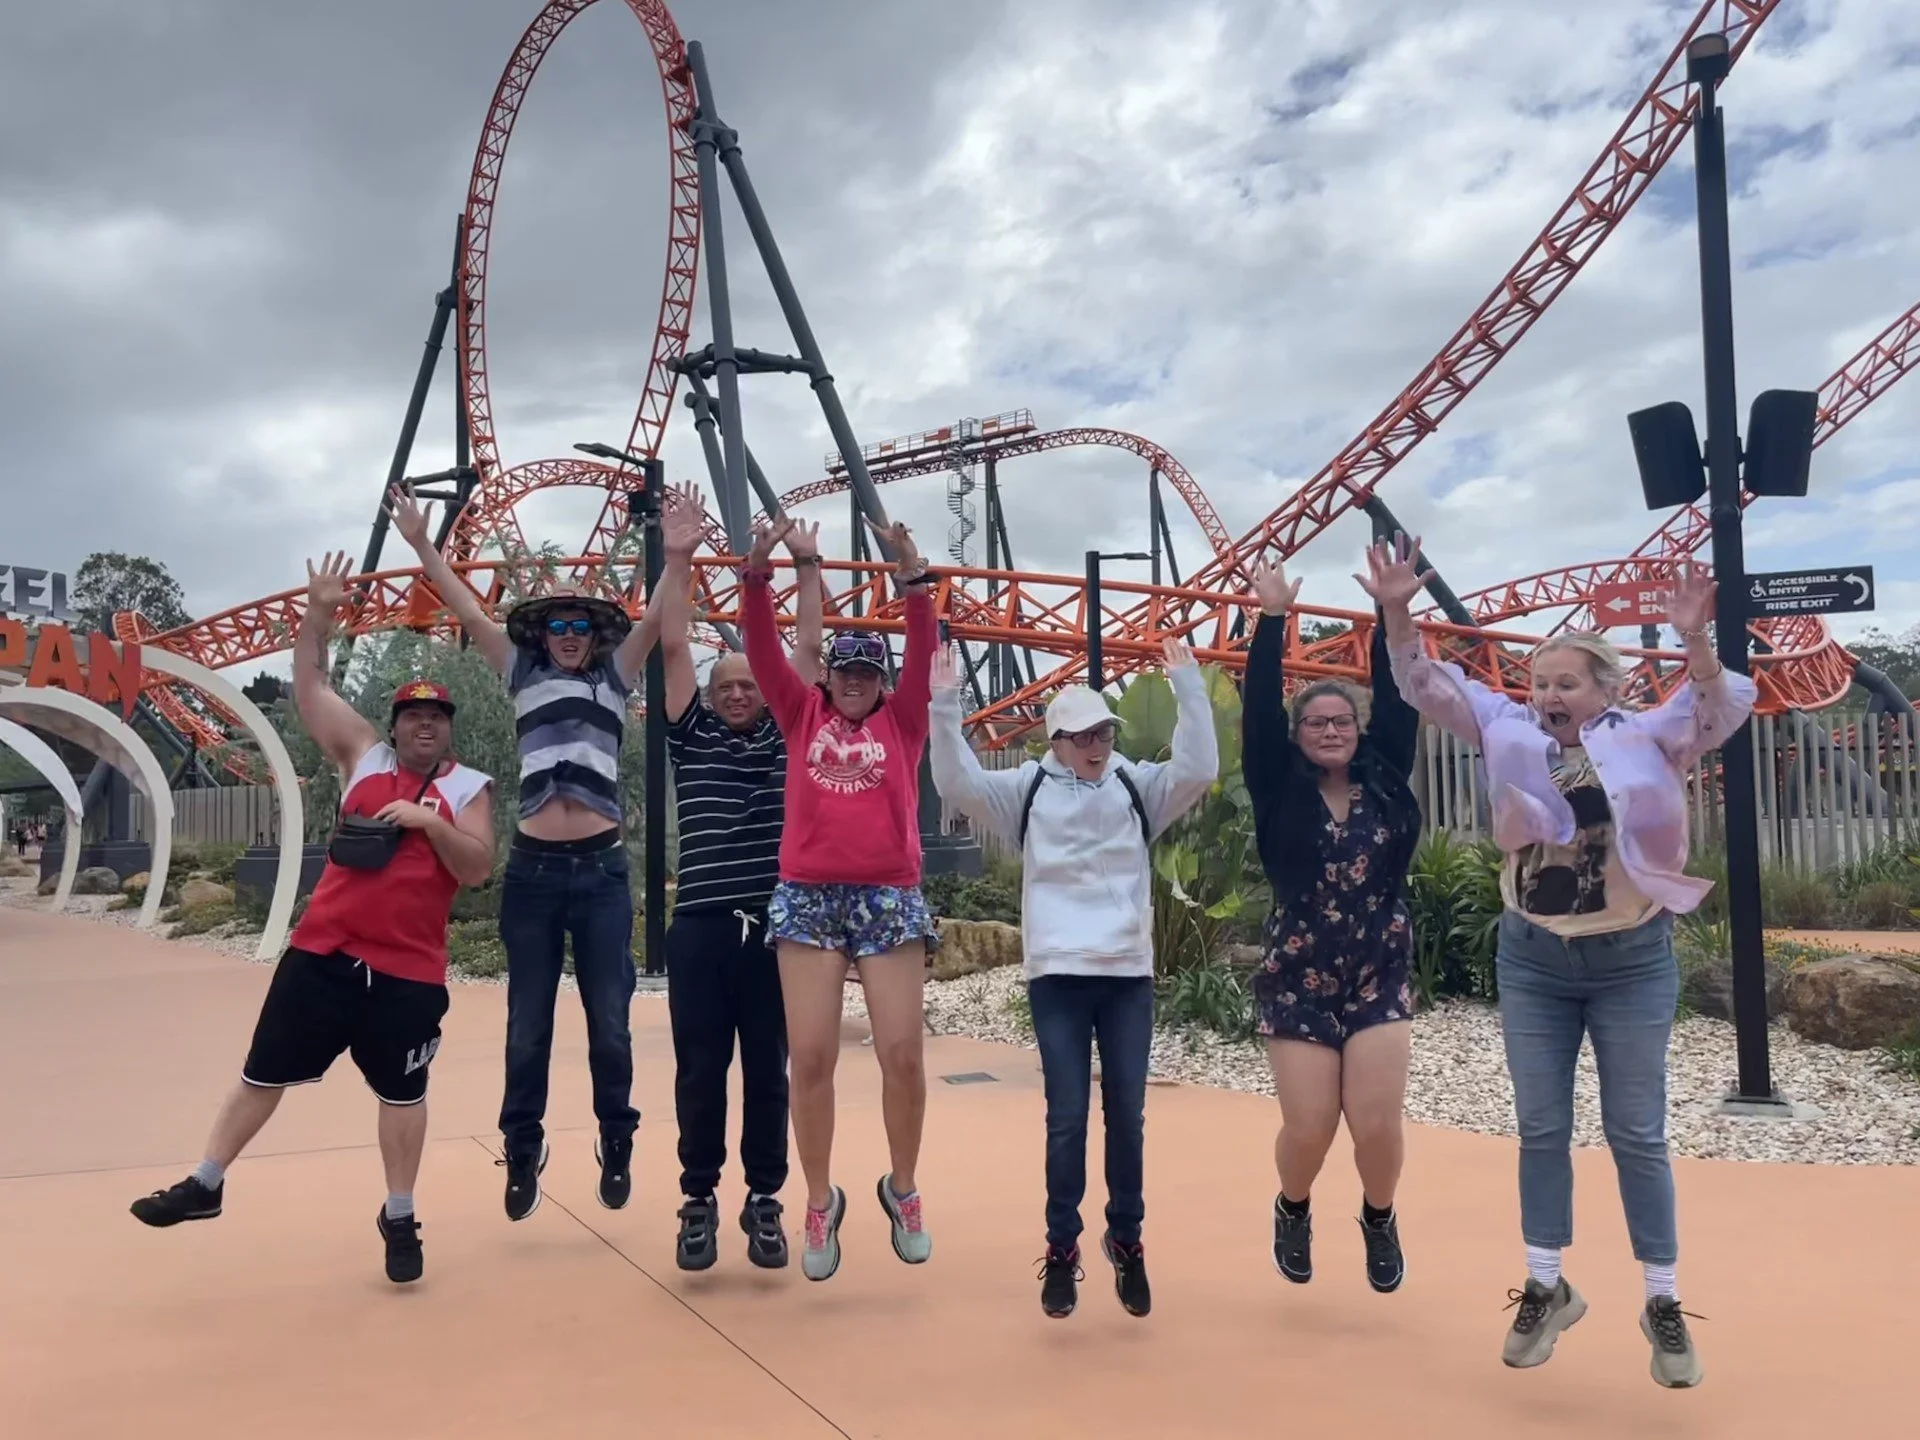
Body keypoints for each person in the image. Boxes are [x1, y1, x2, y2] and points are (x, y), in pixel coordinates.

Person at [1372, 543, 1751, 1390]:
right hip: (1535, 957)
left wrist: (1696, 641)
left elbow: (1718, 709)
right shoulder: (1504, 727)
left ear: (1607, 690)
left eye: (1565, 682)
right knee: (1541, 1127)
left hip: (1631, 958)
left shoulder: (1653, 734)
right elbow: (1427, 684)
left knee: (1635, 1132)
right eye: (1539, 681)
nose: (1546, 694)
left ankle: (1661, 1300)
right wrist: (1398, 614)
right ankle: (1548, 1285)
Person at [129, 552, 495, 1285]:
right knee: (263, 1071)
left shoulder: (468, 786)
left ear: (448, 729)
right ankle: (205, 1182)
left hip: (406, 970)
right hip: (324, 953)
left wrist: (428, 821)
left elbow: (479, 867)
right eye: (414, 715)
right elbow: (309, 685)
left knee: (403, 1092)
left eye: (437, 717)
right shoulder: (363, 757)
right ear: (395, 723)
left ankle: (398, 1212)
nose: (425, 725)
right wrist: (319, 612)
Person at [392, 485, 661, 1221]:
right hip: (535, 874)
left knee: (610, 1017)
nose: (570, 633)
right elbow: (469, 611)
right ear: (542, 636)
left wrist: (684, 550)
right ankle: (522, 1149)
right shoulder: (521, 674)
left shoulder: (615, 677)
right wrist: (423, 546)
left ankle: (617, 1136)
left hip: (602, 870)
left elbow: (665, 612)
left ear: (594, 635)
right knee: (528, 1024)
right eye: (558, 625)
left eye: (580, 624)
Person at [929, 637, 1216, 1319]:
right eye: (1082, 735)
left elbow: (1199, 767)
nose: (1095, 743)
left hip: (1125, 976)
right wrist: (945, 705)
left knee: (1128, 1118)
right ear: (1056, 741)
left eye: (1103, 732)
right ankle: (1063, 1248)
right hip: (1057, 974)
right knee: (1066, 1118)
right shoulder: (1026, 789)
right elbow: (956, 783)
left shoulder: (1135, 783)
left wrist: (1189, 690)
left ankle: (1129, 1241)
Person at [740, 512, 939, 1282]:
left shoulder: (905, 720)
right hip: (810, 898)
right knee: (813, 1056)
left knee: (903, 1054)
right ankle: (820, 1199)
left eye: (868, 673)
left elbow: (924, 651)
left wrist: (914, 580)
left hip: (888, 897)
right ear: (829, 679)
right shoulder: (802, 714)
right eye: (844, 672)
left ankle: (904, 1186)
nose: (855, 682)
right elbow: (762, 653)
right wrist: (762, 576)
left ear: (883, 682)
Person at [1242, 546, 1424, 1297]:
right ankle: (1293, 1206)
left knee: (1376, 1123)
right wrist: (1272, 619)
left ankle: (1378, 1216)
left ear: (1359, 727)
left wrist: (1393, 611)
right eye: (1315, 720)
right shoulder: (1275, 783)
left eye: (1342, 718)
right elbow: (1256, 707)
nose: (1330, 728)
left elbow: (1399, 693)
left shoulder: (1384, 770)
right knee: (1312, 1127)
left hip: (1379, 968)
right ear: (1296, 733)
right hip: (1299, 974)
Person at [657, 485, 823, 1270]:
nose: (734, 692)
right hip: (698, 928)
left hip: (772, 927)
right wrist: (679, 559)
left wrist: (807, 566)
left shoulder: (789, 738)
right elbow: (673, 647)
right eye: (725, 685)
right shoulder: (690, 739)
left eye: (747, 683)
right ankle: (697, 1199)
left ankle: (764, 1200)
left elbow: (811, 658)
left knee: (769, 1068)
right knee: (700, 1068)